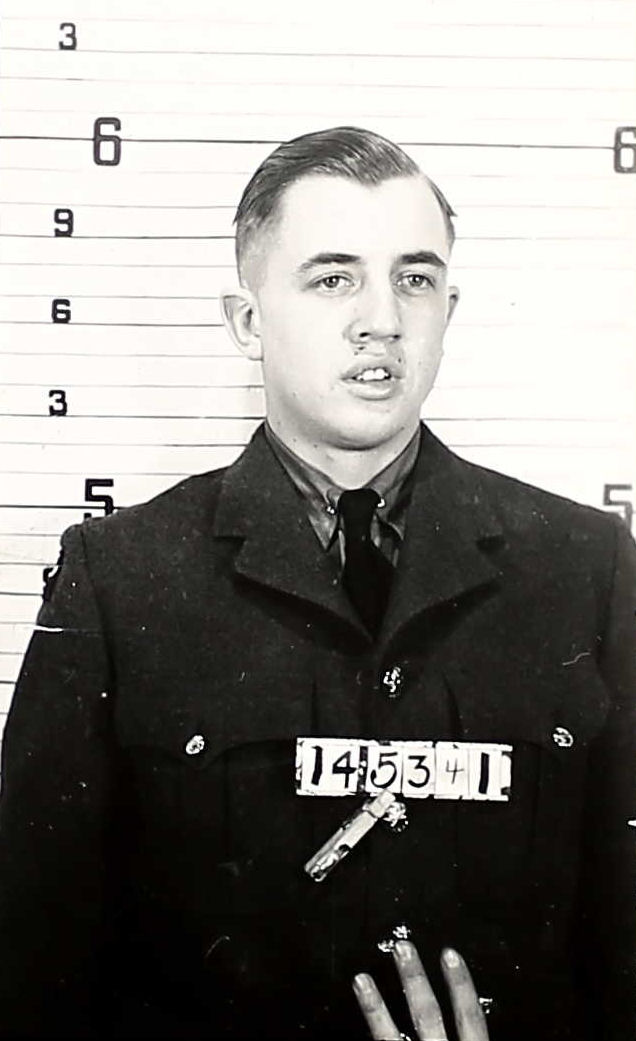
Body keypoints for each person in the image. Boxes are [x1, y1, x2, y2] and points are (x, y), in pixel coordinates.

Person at [0, 126, 634, 1040]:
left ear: (449, 309)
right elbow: (34, 972)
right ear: (247, 321)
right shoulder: (119, 577)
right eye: (333, 277)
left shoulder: (586, 567)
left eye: (415, 279)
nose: (383, 318)